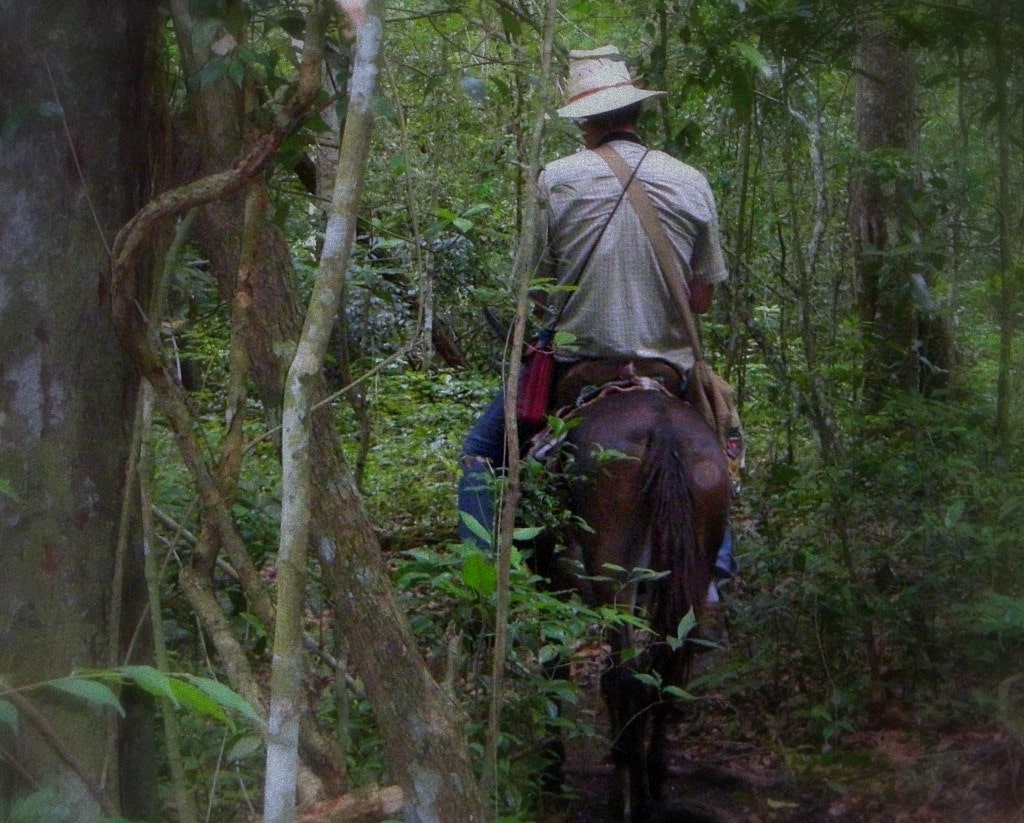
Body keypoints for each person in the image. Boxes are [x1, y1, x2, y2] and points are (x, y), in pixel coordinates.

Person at [458, 45, 736, 591]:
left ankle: (483, 582)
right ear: (636, 111)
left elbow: (535, 291)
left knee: (482, 452)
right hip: (667, 369)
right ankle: (714, 577)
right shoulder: (690, 179)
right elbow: (701, 299)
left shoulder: (557, 179)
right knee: (716, 449)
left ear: (584, 120)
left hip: (581, 363)